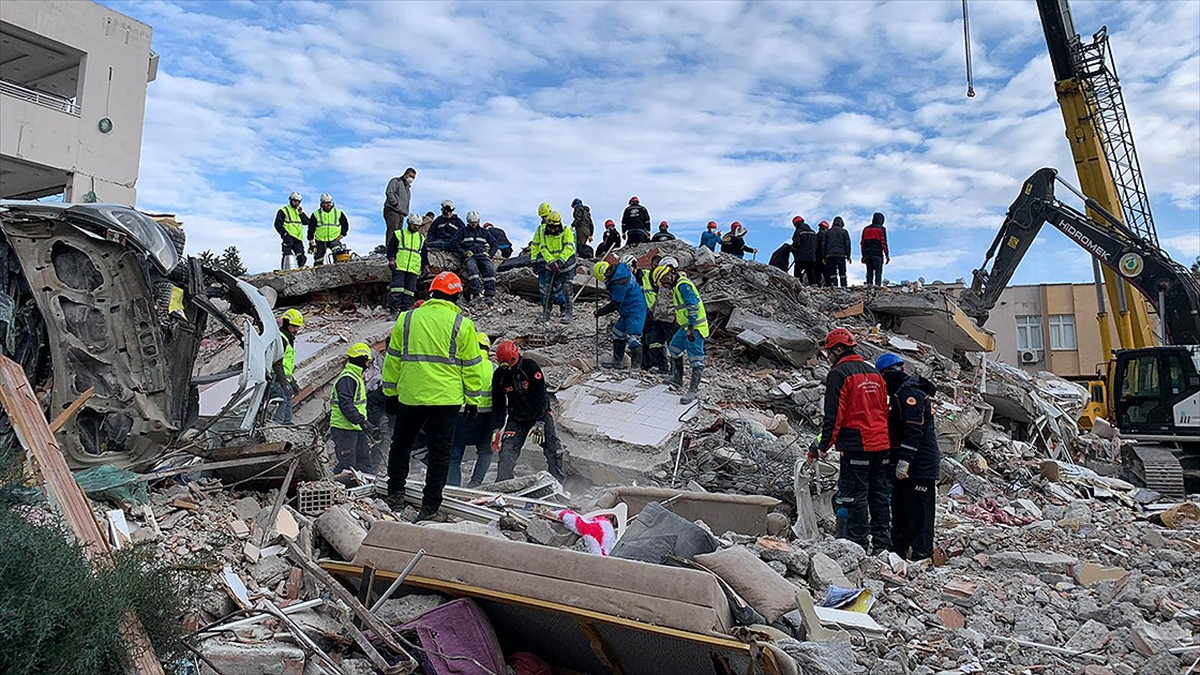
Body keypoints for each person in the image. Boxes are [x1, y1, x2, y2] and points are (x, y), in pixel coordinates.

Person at [382, 271, 484, 520]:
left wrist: (390, 393)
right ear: (457, 296)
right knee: (441, 453)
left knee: (401, 445)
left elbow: (393, 359)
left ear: (431, 294)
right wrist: (473, 400)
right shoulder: (462, 324)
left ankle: (395, 493)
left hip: (411, 395)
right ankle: (430, 506)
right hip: (446, 400)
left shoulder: (406, 319)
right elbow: (471, 366)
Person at [811, 328, 891, 554]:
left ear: (838, 349)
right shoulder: (874, 373)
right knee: (878, 495)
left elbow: (834, 415)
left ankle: (857, 547)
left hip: (857, 445)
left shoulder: (839, 373)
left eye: (829, 353)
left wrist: (823, 446)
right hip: (881, 443)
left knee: (855, 496)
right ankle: (882, 546)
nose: (828, 357)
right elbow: (883, 410)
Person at [876, 353, 940, 561]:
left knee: (919, 512)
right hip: (904, 466)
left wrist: (904, 460)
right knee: (901, 509)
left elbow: (913, 429)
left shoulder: (910, 394)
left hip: (919, 466)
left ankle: (922, 553)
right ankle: (900, 551)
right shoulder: (898, 395)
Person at [490, 340, 565, 481]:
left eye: (508, 365)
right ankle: (503, 485)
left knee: (553, 450)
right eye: (503, 365)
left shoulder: (530, 367)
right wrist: (496, 428)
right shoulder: (500, 376)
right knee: (507, 453)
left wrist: (540, 422)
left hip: (540, 413)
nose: (508, 369)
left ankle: (558, 482)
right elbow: (498, 405)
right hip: (517, 417)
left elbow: (541, 397)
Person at [448, 333, 496, 487]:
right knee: (486, 452)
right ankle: (475, 483)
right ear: (487, 349)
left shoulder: (460, 365)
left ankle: (454, 487)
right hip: (486, 417)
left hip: (461, 415)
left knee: (454, 455)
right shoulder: (493, 368)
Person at [654, 264, 707, 404]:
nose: (665, 284)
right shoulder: (677, 286)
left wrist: (690, 326)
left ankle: (693, 391)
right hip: (686, 326)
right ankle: (677, 378)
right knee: (674, 348)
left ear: (670, 274)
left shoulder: (683, 285)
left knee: (696, 358)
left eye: (665, 280)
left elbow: (692, 306)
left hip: (695, 327)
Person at [330, 343, 378, 476]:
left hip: (355, 428)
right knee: (347, 466)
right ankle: (336, 489)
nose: (368, 364)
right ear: (362, 359)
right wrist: (361, 420)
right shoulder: (348, 378)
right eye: (367, 360)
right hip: (344, 428)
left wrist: (362, 423)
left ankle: (366, 491)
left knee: (364, 463)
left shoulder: (355, 376)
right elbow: (345, 404)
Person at [593, 259, 647, 369]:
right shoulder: (621, 268)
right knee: (617, 332)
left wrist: (600, 312)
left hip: (635, 310)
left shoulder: (618, 283)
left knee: (633, 337)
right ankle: (617, 362)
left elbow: (615, 304)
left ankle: (636, 368)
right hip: (627, 310)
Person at [531, 211, 577, 323]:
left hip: (567, 263)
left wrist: (560, 261)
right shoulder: (544, 232)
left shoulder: (567, 231)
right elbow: (543, 248)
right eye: (550, 227)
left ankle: (568, 313)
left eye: (554, 227)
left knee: (566, 288)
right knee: (547, 288)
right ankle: (546, 314)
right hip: (551, 263)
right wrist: (551, 261)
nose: (552, 230)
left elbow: (569, 247)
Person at [631, 254, 669, 372]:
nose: (656, 269)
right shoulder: (646, 275)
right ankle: (645, 364)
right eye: (654, 266)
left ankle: (659, 365)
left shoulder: (664, 280)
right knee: (644, 339)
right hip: (644, 312)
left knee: (654, 341)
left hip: (655, 313)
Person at [455, 211, 499, 304]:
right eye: (471, 223)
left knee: (490, 271)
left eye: (475, 223)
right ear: (468, 222)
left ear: (478, 221)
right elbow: (454, 243)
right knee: (473, 271)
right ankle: (475, 295)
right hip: (470, 256)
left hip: (482, 255)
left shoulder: (484, 232)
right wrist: (464, 252)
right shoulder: (462, 231)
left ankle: (489, 295)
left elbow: (494, 243)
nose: (473, 225)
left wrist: (490, 254)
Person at [269, 309, 303, 423]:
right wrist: (284, 383)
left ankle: (287, 430)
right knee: (280, 407)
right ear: (287, 323)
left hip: (283, 379)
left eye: (298, 327)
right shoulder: (281, 339)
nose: (296, 330)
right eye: (294, 326)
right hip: (276, 379)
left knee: (287, 414)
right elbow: (277, 363)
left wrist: (292, 382)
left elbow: (286, 365)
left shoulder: (288, 339)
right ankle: (275, 431)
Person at [387, 213, 426, 312]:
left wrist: (425, 265)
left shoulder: (421, 238)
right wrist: (391, 259)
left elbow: (424, 254)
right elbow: (391, 248)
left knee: (409, 291)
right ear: (409, 223)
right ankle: (393, 310)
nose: (416, 227)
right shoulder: (399, 234)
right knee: (396, 288)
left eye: (418, 226)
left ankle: (405, 310)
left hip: (414, 268)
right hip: (400, 266)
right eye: (414, 225)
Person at [309, 193, 350, 266]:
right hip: (320, 239)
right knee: (319, 257)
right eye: (326, 203)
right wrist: (310, 239)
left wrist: (343, 234)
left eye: (329, 202)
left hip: (334, 238)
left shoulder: (338, 213)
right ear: (322, 203)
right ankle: (318, 271)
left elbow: (345, 224)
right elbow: (311, 227)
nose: (328, 204)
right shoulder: (316, 214)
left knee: (338, 251)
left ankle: (339, 267)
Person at [383, 168, 416, 251]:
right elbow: (389, 192)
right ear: (406, 174)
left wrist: (406, 212)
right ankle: (389, 249)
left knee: (398, 233)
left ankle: (395, 249)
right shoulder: (396, 181)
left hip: (401, 213)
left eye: (413, 178)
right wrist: (395, 203)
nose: (412, 179)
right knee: (392, 230)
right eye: (411, 176)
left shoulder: (408, 189)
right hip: (392, 210)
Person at [274, 192, 309, 268]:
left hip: (298, 238)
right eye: (295, 201)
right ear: (291, 200)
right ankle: (285, 268)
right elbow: (277, 224)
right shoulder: (284, 210)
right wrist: (284, 233)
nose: (297, 203)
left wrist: (301, 213)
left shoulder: (298, 212)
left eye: (298, 202)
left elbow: (307, 222)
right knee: (287, 254)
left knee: (301, 256)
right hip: (288, 236)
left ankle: (299, 268)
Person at [861, 212, 890, 286]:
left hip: (867, 254)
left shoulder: (866, 229)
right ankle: (877, 287)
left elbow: (863, 243)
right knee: (878, 272)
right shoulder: (881, 229)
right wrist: (887, 255)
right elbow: (883, 243)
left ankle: (869, 286)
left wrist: (863, 255)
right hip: (877, 254)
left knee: (869, 272)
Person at [824, 216, 852, 287]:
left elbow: (823, 245)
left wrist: (824, 257)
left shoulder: (827, 232)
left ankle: (834, 287)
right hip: (841, 255)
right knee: (842, 273)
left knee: (832, 273)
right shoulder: (844, 232)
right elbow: (847, 244)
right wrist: (848, 255)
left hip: (830, 255)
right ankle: (844, 287)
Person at [791, 216, 819, 284]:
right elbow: (816, 245)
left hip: (800, 257)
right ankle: (814, 286)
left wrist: (792, 249)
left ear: (795, 224)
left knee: (797, 273)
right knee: (811, 273)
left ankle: (798, 286)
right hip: (811, 257)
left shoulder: (798, 232)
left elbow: (796, 244)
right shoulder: (813, 232)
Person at [815, 220, 831, 285]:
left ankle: (817, 286)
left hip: (816, 258)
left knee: (817, 275)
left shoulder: (816, 236)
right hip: (824, 258)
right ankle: (828, 286)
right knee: (827, 274)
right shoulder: (826, 237)